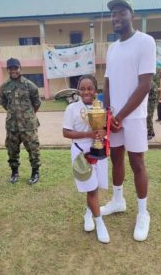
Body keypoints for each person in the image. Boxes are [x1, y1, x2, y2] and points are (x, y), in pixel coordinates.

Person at [102, 0, 156, 241]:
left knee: (137, 162)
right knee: (116, 158)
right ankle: (117, 200)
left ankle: (143, 213)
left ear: (131, 14)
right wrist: (107, 113)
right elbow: (107, 82)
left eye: (121, 13)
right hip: (114, 117)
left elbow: (145, 85)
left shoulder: (145, 42)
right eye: (113, 14)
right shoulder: (112, 48)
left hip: (133, 117)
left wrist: (121, 116)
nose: (116, 18)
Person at [63, 75, 110, 244]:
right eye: (82, 88)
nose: (86, 92)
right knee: (91, 189)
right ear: (78, 90)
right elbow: (66, 132)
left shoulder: (102, 107)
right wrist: (88, 134)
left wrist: (102, 133)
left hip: (99, 150)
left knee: (95, 186)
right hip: (81, 152)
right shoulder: (72, 109)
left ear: (95, 90)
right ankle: (99, 222)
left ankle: (88, 213)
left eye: (89, 88)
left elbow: (106, 127)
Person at [0, 58, 41, 184]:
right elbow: (4, 103)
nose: (13, 71)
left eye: (15, 68)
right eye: (10, 68)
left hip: (28, 126)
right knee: (12, 150)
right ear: (8, 70)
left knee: (33, 150)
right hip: (12, 126)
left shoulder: (30, 85)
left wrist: (27, 115)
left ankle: (35, 173)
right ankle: (14, 172)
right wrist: (15, 114)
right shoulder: (4, 87)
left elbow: (37, 103)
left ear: (20, 68)